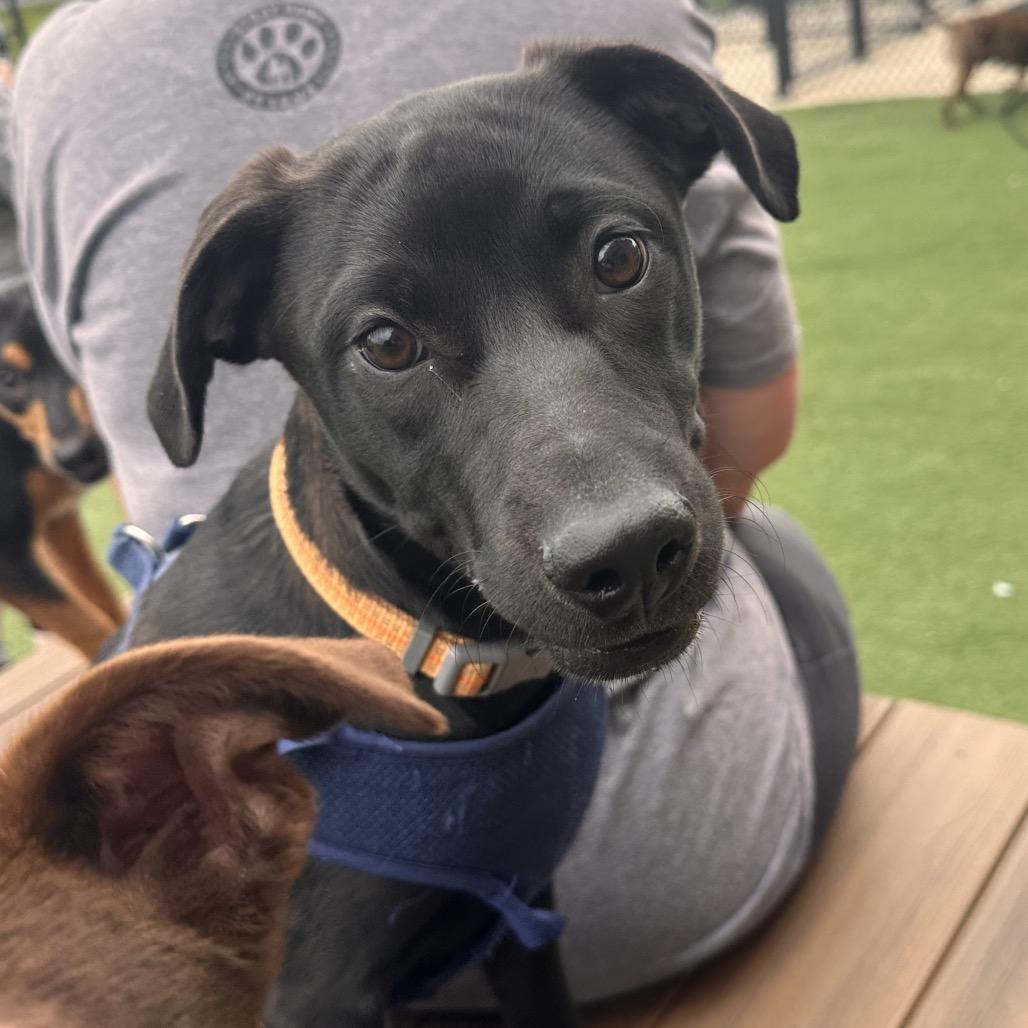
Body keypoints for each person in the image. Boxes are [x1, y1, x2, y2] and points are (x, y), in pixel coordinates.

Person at [10, 0, 859, 1008]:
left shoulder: (65, 66)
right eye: (391, 344)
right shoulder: (289, 744)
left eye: (615, 260)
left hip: (520, 857)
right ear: (233, 324)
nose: (609, 523)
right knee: (785, 566)